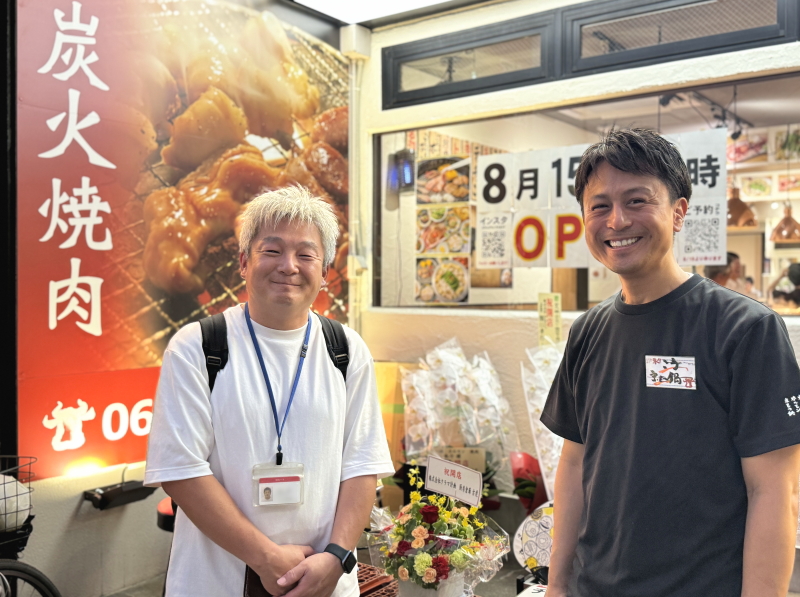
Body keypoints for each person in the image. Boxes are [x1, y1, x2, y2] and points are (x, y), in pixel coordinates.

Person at [541, 129, 800, 597]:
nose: (617, 220)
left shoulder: (745, 329)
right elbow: (575, 464)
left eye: (637, 200)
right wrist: (556, 585)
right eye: (599, 206)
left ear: (679, 212)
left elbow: (775, 492)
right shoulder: (587, 332)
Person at [144, 186, 395, 597]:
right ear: (244, 262)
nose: (289, 266)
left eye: (306, 254)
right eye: (272, 251)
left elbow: (362, 465)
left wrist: (336, 556)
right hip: (216, 582)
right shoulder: (199, 346)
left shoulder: (346, 349)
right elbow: (180, 470)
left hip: (324, 581)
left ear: (326, 269)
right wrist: (265, 558)